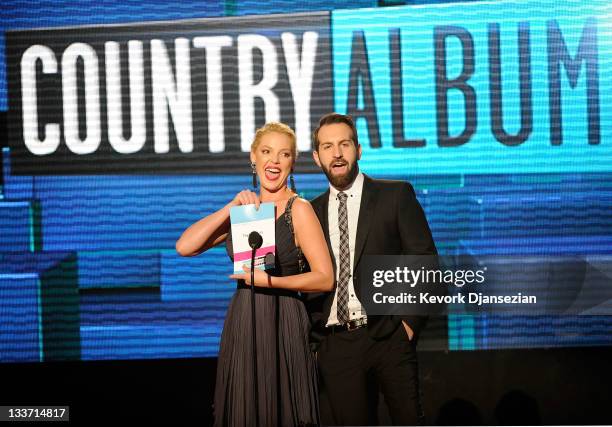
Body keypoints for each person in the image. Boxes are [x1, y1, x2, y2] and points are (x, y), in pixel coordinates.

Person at [175, 122, 334, 427]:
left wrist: (271, 281)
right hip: (244, 320)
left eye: (283, 154)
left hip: (284, 319)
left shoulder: (298, 209)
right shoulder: (244, 212)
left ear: (292, 162)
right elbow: (185, 246)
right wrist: (231, 206)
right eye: (266, 152)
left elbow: (324, 277)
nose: (274, 161)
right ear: (253, 156)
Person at [306, 113, 438, 425]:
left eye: (344, 144)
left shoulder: (395, 195)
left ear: (359, 149)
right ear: (316, 157)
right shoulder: (308, 212)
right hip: (336, 344)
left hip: (390, 335)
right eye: (327, 146)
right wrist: (317, 345)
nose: (337, 153)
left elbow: (425, 260)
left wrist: (408, 325)